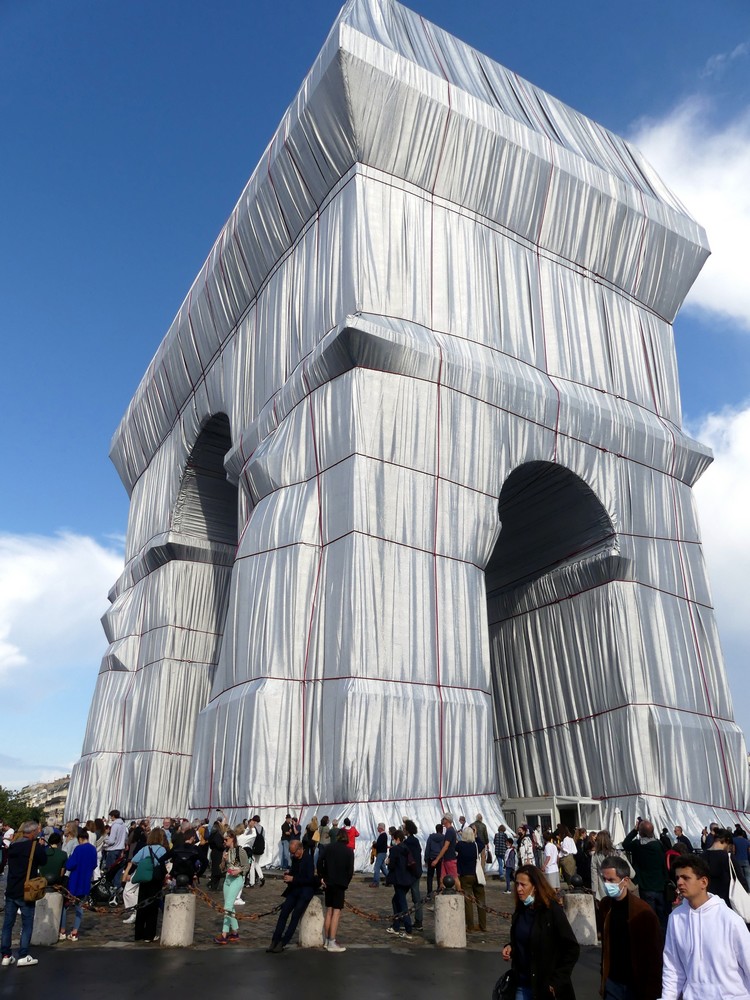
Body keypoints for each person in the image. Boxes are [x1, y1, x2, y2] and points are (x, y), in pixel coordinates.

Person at [662, 853, 750, 999]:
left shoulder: (730, 920)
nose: (679, 883)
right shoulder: (675, 918)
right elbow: (672, 967)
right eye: (677, 878)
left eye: (686, 878)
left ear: (703, 882)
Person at [501, 864, 579, 1000]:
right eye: (517, 884)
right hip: (522, 983)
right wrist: (511, 947)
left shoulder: (551, 911)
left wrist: (557, 981)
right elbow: (525, 939)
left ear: (535, 887)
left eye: (523, 885)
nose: (518, 889)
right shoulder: (521, 910)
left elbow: (571, 948)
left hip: (545, 986)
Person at [599, 855, 662, 1000]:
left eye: (611, 880)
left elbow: (655, 954)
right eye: (604, 879)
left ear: (625, 881)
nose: (606, 884)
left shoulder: (643, 911)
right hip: (612, 981)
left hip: (635, 983)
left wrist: (653, 990)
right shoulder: (605, 905)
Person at [1, 820, 47, 967]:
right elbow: (44, 861)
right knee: (26, 924)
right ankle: (23, 954)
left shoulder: (14, 845)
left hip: (11, 889)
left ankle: (6, 954)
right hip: (26, 890)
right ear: (33, 832)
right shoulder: (34, 846)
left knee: (8, 924)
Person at [267, 839, 319, 952]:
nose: (292, 855)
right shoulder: (295, 859)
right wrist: (288, 876)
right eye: (291, 852)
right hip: (294, 890)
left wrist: (294, 879)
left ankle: (283, 942)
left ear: (300, 850)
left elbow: (309, 879)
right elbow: (294, 872)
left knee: (295, 916)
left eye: (294, 852)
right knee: (283, 914)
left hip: (305, 891)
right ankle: (275, 940)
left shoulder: (308, 859)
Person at [122, 828, 167, 942]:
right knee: (153, 908)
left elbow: (135, 860)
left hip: (143, 879)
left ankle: (139, 934)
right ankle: (149, 935)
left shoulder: (145, 848)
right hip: (155, 879)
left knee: (141, 905)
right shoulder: (162, 849)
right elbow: (164, 862)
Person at [622, 820, 668, 927]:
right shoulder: (659, 845)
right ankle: (663, 939)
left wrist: (634, 830)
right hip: (660, 885)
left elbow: (625, 844)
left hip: (646, 885)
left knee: (649, 915)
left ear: (640, 832)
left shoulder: (638, 845)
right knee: (662, 917)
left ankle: (652, 940)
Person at [59, 827, 98, 941]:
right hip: (85, 880)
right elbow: (94, 864)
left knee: (65, 906)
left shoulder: (78, 849)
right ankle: (75, 932)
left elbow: (70, 865)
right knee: (79, 907)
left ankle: (62, 931)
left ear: (80, 839)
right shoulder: (92, 849)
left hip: (75, 881)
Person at [319, 828, 354, 952]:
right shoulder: (349, 851)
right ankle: (332, 941)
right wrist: (346, 882)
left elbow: (319, 861)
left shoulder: (328, 848)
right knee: (336, 912)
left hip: (329, 882)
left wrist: (321, 876)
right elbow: (350, 871)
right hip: (340, 884)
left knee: (329, 911)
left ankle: (327, 940)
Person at [214, 829, 249, 944]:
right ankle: (235, 932)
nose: (224, 841)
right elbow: (222, 868)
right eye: (224, 839)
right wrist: (224, 860)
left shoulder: (240, 851)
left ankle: (224, 934)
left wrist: (239, 871)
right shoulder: (226, 851)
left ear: (232, 838)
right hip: (228, 879)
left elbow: (246, 866)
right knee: (230, 906)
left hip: (237, 880)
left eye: (226, 839)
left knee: (228, 906)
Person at [704, 827, 748, 906]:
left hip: (706, 900)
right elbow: (740, 879)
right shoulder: (728, 857)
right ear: (726, 841)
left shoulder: (701, 856)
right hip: (726, 900)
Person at [456, 825, 486, 933]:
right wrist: (476, 834)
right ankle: (483, 925)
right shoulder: (476, 845)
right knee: (481, 900)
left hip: (465, 875)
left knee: (468, 901)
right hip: (477, 875)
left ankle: (470, 925)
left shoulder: (460, 845)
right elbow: (482, 844)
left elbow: (455, 846)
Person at [385, 829, 414, 940]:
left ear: (396, 839)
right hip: (407, 879)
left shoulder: (395, 849)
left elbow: (392, 866)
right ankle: (396, 926)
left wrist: (388, 862)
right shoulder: (406, 848)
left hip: (399, 879)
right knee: (396, 900)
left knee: (402, 903)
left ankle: (408, 928)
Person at [403, 819, 424, 931]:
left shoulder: (409, 842)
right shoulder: (415, 841)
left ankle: (404, 919)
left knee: (404, 896)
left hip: (411, 873)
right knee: (416, 896)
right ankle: (418, 920)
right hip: (416, 871)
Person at [102, 809, 128, 890]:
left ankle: (109, 887)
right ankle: (117, 886)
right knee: (118, 871)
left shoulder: (115, 825)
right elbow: (125, 838)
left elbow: (111, 841)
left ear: (113, 816)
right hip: (120, 850)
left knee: (110, 871)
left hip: (113, 850)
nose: (110, 818)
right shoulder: (123, 825)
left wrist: (105, 838)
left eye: (111, 816)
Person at [431, 814, 458, 887]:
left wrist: (437, 859)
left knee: (454, 878)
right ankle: (441, 891)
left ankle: (459, 893)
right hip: (446, 858)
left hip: (450, 858)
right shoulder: (450, 831)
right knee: (442, 878)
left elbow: (445, 847)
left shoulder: (449, 831)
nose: (442, 820)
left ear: (447, 820)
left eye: (444, 819)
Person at [424, 824, 444, 895]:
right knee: (439, 875)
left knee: (430, 876)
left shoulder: (431, 837)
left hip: (431, 858)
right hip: (440, 858)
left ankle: (429, 891)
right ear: (442, 830)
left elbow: (427, 848)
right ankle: (439, 889)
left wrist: (426, 859)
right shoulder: (443, 838)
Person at [370, 822, 389, 888]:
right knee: (383, 868)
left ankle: (376, 882)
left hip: (381, 853)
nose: (377, 828)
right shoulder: (384, 835)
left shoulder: (382, 835)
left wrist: (374, 844)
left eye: (378, 827)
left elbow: (379, 844)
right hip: (383, 853)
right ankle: (390, 879)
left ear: (380, 828)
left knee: (377, 867)